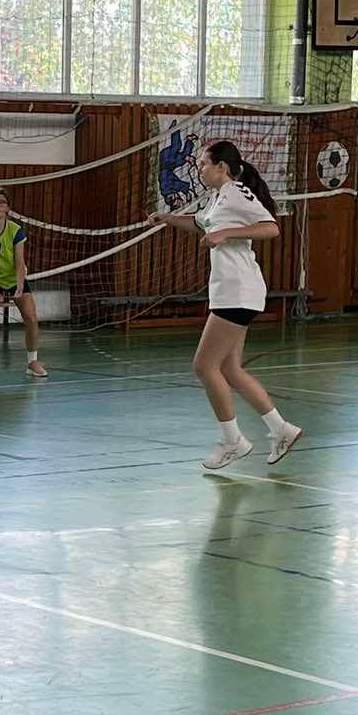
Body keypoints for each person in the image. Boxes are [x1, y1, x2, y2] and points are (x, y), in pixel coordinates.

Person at [149, 140, 302, 472]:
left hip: (238, 291)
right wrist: (168, 218)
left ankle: (232, 441)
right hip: (230, 292)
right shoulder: (218, 197)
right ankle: (281, 429)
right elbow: (200, 223)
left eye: (204, 164)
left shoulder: (236, 193)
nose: (200, 170)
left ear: (222, 167)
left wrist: (227, 234)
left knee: (204, 366)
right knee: (230, 370)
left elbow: (271, 228)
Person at [0, 191, 47, 379]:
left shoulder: (15, 231)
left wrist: (19, 285)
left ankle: (32, 362)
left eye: (1, 202)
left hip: (14, 278)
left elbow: (19, 261)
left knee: (31, 318)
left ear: (8, 208)